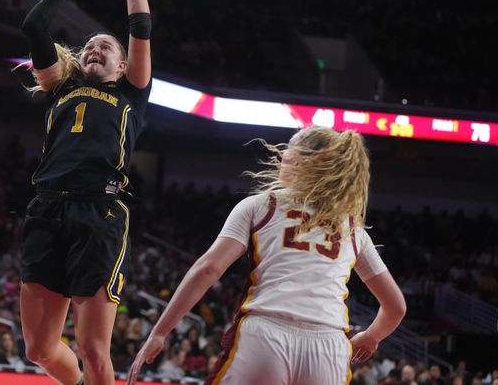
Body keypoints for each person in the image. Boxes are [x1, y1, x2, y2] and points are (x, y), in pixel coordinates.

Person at [127, 126, 407, 385]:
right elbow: (395, 307)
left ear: (303, 161)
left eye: (289, 149)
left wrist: (160, 332)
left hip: (266, 333)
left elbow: (208, 269)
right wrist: (371, 337)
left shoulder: (262, 206)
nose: (283, 154)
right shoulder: (353, 229)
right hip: (328, 345)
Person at [18, 0, 151, 385]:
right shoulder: (61, 86)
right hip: (47, 206)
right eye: (90, 45)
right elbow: (34, 27)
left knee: (95, 351)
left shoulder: (132, 94)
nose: (96, 49)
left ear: (122, 65)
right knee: (37, 349)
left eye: (107, 47)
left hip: (100, 210)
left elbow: (140, 27)